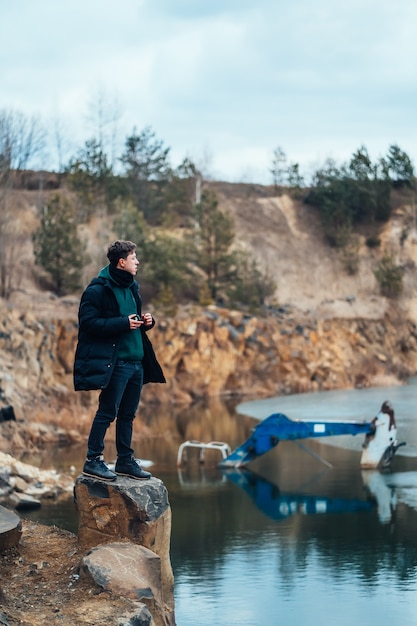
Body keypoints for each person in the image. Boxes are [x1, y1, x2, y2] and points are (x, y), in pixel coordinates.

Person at [73, 240, 165, 481]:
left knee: (128, 415)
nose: (138, 262)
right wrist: (123, 323)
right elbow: (89, 324)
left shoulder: (132, 287)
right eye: (134, 258)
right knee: (107, 412)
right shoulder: (98, 289)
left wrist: (146, 323)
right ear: (121, 262)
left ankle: (125, 460)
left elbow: (132, 325)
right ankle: (93, 460)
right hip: (116, 363)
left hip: (136, 363)